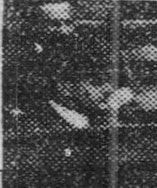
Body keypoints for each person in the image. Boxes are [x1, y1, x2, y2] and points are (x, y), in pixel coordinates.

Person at [2, 0, 131, 129]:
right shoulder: (28, 58)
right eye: (54, 24)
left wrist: (111, 104)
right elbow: (33, 99)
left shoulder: (89, 47)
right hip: (59, 120)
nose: (63, 30)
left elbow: (126, 86)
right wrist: (69, 116)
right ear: (39, 26)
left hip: (99, 114)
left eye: (67, 22)